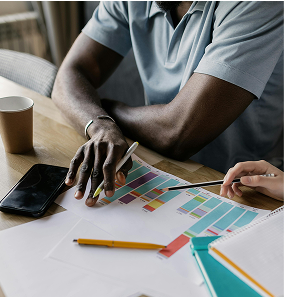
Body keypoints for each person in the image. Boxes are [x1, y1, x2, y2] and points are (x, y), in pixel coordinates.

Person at [51, 1, 284, 207]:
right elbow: (67, 78)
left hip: (243, 188)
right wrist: (101, 125)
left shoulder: (258, 5)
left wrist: (104, 111)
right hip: (161, 166)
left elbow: (176, 132)